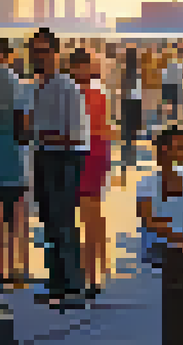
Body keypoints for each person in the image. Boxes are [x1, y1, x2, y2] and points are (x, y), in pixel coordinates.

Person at [30, 29, 89, 310]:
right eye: (34, 51)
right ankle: (57, 286)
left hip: (64, 159)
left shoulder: (67, 87)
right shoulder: (39, 86)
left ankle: (74, 289)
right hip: (45, 157)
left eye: (42, 51)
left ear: (54, 53)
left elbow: (76, 136)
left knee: (63, 223)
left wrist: (40, 135)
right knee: (49, 224)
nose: (37, 57)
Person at [71, 49, 115, 299]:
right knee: (93, 215)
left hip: (88, 154)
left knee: (89, 216)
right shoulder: (97, 92)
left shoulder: (90, 94)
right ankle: (95, 272)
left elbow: (93, 127)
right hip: (96, 154)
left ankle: (91, 275)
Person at [135, 126, 183, 269]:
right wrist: (181, 238)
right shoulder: (147, 183)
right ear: (165, 150)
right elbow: (149, 222)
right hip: (157, 253)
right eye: (181, 148)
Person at [0, 38, 29, 294]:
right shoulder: (16, 83)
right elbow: (23, 124)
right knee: (13, 220)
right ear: (7, 55)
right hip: (13, 159)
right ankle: (13, 271)